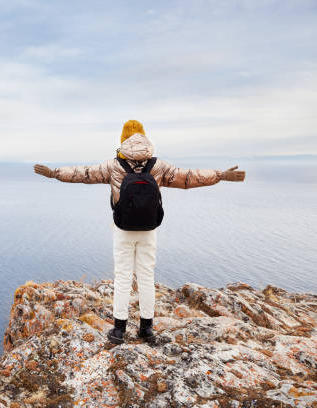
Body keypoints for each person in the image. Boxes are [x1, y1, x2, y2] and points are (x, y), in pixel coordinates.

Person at [33, 120, 245, 344]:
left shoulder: (113, 166)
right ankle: (146, 329)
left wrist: (55, 173)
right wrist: (219, 175)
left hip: (123, 228)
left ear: (123, 139)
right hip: (148, 228)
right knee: (146, 277)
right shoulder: (158, 166)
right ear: (144, 137)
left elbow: (83, 173)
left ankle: (119, 330)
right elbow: (189, 177)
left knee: (123, 276)